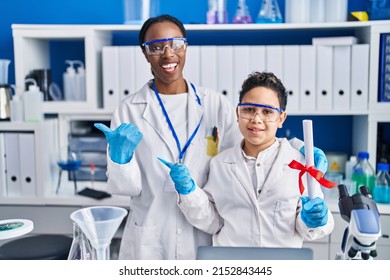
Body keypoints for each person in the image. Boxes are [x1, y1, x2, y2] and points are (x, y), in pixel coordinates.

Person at [94, 15, 328, 259]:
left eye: (175, 43)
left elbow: (247, 145)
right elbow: (125, 187)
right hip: (151, 236)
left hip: (202, 233)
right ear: (145, 53)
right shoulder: (129, 110)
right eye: (156, 46)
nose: (167, 53)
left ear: (185, 46)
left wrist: (298, 149)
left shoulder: (214, 103)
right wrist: (120, 160)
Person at [160, 71, 334, 248]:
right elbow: (213, 222)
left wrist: (313, 220)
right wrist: (189, 192)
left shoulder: (299, 163)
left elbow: (310, 226)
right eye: (249, 110)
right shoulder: (220, 164)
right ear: (238, 112)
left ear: (281, 118)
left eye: (267, 112)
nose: (256, 119)